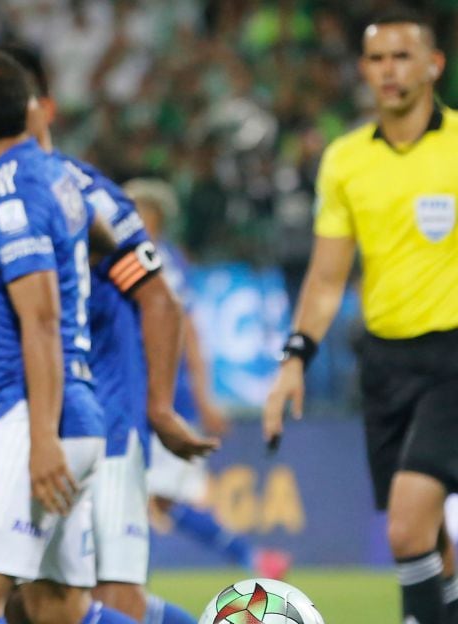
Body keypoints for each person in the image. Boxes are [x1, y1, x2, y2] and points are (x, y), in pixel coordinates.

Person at [0, 45, 214, 624]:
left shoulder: (85, 198)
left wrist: (162, 408)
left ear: (44, 110)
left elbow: (160, 301)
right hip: (38, 428)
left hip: (109, 424)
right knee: (29, 603)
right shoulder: (1, 196)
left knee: (110, 597)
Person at [263, 9, 458, 624]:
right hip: (385, 361)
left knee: (406, 528)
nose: (388, 71)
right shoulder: (346, 159)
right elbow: (325, 279)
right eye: (376, 59)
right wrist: (295, 357)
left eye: (402, 56)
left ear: (434, 66)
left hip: (453, 357)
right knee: (429, 541)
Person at [0, 48, 133, 624]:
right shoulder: (55, 175)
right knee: (58, 609)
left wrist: (43, 440)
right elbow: (102, 241)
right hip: (72, 413)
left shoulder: (9, 191)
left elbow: (43, 317)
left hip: (31, 420)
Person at [130, 177, 291, 582]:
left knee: (158, 496)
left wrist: (203, 398)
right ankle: (253, 559)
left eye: (136, 213)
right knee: (154, 497)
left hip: (160, 398)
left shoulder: (155, 261)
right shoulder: (149, 260)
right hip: (142, 394)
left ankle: (253, 559)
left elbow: (189, 332)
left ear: (154, 218)